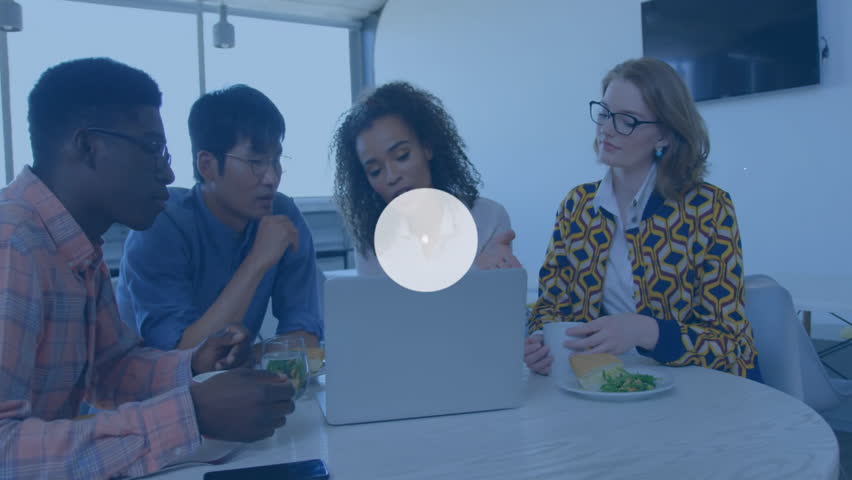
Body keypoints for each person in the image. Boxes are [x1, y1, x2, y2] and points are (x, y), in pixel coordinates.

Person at [0, 58, 296, 479]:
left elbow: (111, 370)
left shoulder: (77, 249)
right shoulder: (12, 243)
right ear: (87, 146)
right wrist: (191, 414)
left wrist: (196, 365)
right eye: (151, 148)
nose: (169, 171)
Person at [524, 58, 761, 381]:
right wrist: (540, 341)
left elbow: (731, 346)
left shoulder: (708, 208)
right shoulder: (577, 205)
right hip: (604, 386)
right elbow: (551, 308)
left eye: (628, 121)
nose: (606, 128)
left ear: (663, 136)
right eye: (605, 113)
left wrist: (646, 331)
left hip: (698, 391)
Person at [116, 84, 323, 350]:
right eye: (256, 162)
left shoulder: (282, 214)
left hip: (230, 381)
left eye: (276, 161)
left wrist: (250, 359)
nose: (271, 178)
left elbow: (304, 336)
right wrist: (258, 260)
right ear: (207, 166)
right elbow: (178, 355)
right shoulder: (162, 222)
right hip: (147, 387)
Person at [331, 81, 521, 275]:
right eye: (375, 171)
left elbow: (494, 302)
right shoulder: (371, 241)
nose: (392, 177)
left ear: (427, 147)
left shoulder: (489, 218)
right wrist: (476, 270)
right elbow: (385, 305)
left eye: (402, 156)